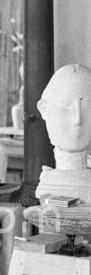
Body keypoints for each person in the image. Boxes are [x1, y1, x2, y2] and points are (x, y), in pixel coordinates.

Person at [35, 63, 91, 202]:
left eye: (88, 105)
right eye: (66, 104)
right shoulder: (48, 184)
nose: (77, 119)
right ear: (44, 109)